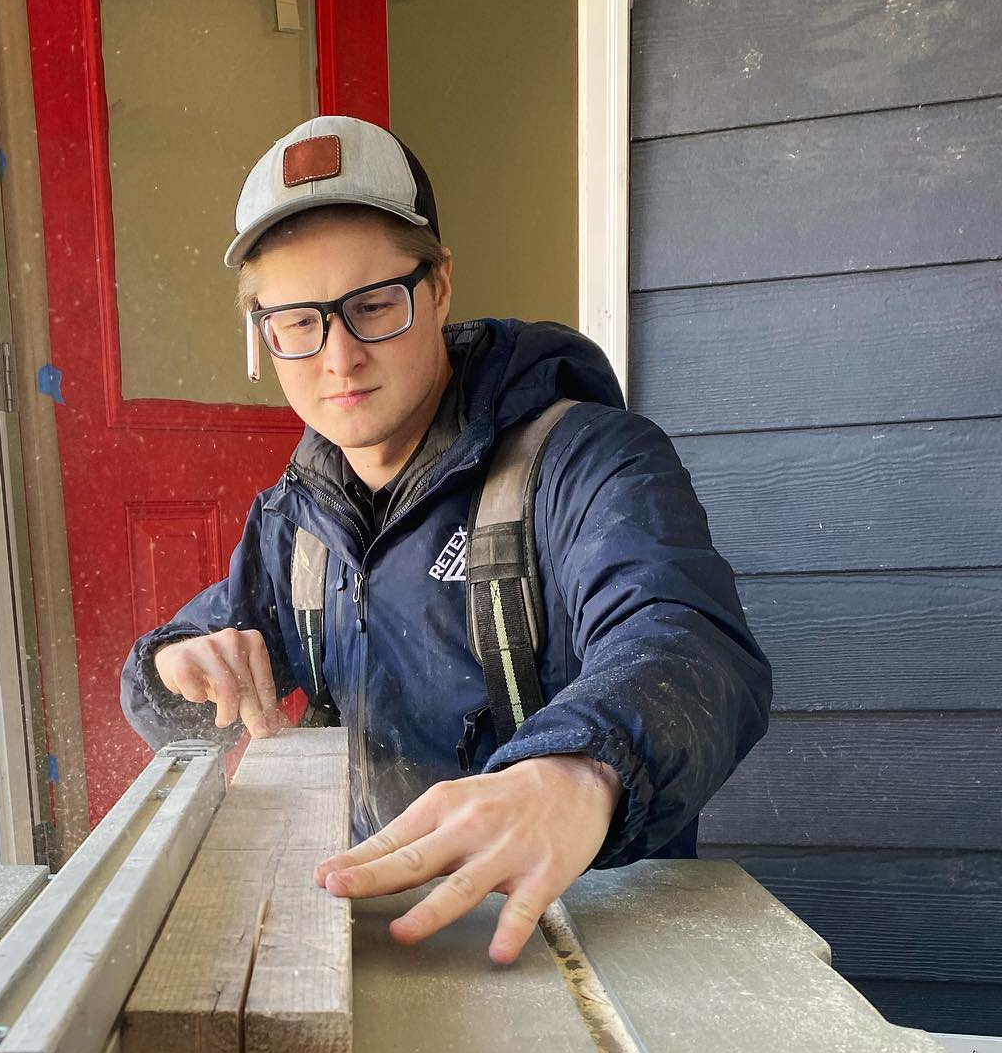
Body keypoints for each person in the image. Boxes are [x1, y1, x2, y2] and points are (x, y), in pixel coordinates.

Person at [121, 117, 771, 964]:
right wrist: (177, 668)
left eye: (374, 305)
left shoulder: (590, 463)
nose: (339, 357)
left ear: (440, 287)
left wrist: (580, 767)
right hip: (372, 940)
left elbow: (688, 641)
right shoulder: (295, 520)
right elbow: (172, 684)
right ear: (263, 335)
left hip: (581, 949)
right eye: (296, 322)